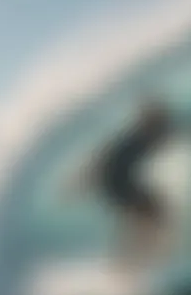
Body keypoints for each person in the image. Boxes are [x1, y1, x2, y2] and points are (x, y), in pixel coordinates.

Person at [64, 94, 175, 271]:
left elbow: (103, 158)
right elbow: (103, 159)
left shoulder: (141, 136)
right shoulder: (135, 138)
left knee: (148, 214)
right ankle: (128, 262)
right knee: (152, 212)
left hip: (119, 183)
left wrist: (79, 184)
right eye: (157, 121)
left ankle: (126, 261)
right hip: (116, 184)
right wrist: (79, 183)